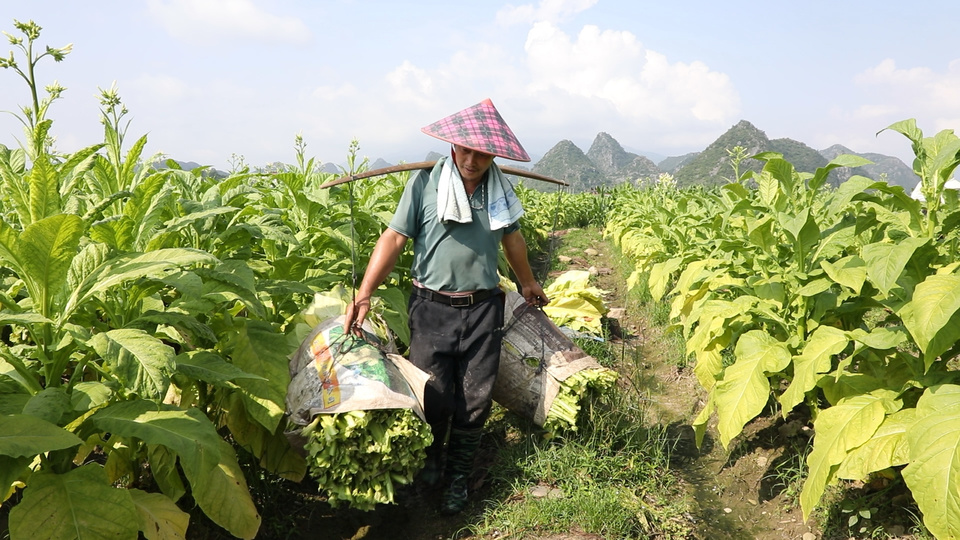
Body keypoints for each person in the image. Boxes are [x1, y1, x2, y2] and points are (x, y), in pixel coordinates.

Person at [342, 98, 547, 515]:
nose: (472, 160)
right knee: (433, 394)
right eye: (464, 150)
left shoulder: (499, 193)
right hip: (431, 307)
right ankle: (433, 460)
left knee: (475, 399)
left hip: (483, 308)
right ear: (452, 146)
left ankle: (458, 477)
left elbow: (512, 239)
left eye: (482, 152)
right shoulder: (424, 184)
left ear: (494, 154)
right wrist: (364, 292)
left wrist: (527, 282)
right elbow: (394, 239)